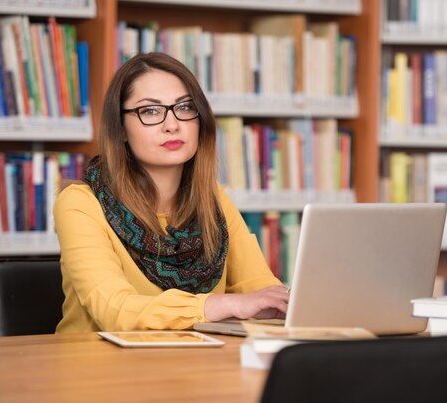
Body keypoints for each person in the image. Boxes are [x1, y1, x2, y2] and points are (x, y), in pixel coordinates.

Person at [54, 52, 288, 333]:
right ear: (121, 129)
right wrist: (224, 305)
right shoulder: (79, 204)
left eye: (185, 108)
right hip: (100, 370)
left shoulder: (212, 200)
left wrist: (284, 303)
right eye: (150, 111)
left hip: (192, 367)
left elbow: (259, 287)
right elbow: (114, 310)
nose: (172, 124)